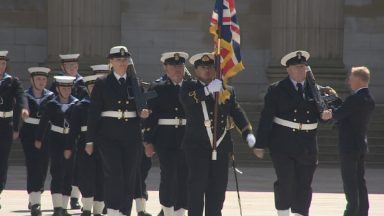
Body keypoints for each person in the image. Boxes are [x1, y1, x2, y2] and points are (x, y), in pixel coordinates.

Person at [254, 50, 333, 216]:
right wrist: (260, 144)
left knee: (304, 184)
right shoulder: (277, 89)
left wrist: (326, 115)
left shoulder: (315, 89)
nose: (301, 70)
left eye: (304, 66)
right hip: (283, 143)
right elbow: (267, 117)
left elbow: (323, 115)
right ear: (288, 69)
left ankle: (300, 213)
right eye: (297, 67)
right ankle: (283, 212)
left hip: (308, 144)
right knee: (286, 181)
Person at [179, 52, 256, 216]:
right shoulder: (189, 86)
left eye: (210, 67)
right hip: (196, 146)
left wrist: (247, 132)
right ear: (196, 70)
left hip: (221, 146)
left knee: (218, 188)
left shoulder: (226, 90)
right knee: (197, 187)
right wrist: (207, 90)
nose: (207, 70)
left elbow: (236, 112)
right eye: (203, 67)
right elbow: (187, 101)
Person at [86, 45, 150, 216]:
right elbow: (93, 113)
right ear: (111, 62)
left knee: (129, 176)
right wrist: (89, 140)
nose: (122, 63)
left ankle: (124, 212)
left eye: (124, 60)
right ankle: (113, 210)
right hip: (108, 136)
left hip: (131, 136)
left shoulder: (135, 82)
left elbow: (142, 107)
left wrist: (143, 112)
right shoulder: (102, 83)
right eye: (118, 60)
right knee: (114, 174)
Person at [143, 52, 190, 216]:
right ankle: (168, 212)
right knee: (169, 176)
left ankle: (180, 212)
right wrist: (148, 141)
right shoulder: (157, 87)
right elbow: (150, 116)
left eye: (180, 66)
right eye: (173, 66)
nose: (178, 70)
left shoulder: (192, 86)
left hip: (187, 138)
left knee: (184, 178)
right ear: (165, 67)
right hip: (165, 139)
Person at [332, 66, 375, 216]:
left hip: (349, 147)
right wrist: (337, 100)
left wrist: (331, 103)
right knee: (359, 182)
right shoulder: (368, 98)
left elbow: (338, 115)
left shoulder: (354, 99)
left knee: (350, 183)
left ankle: (351, 211)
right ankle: (362, 212)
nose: (349, 80)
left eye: (351, 77)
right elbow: (348, 114)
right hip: (360, 145)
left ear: (359, 79)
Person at [35, 76, 79, 216]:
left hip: (71, 139)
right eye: (63, 88)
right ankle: (57, 207)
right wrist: (38, 138)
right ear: (58, 89)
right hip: (55, 139)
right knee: (57, 172)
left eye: (69, 88)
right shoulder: (51, 104)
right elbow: (43, 123)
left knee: (69, 173)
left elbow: (78, 126)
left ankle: (64, 207)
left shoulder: (76, 105)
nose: (66, 91)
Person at [67, 74, 106, 216]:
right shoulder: (80, 106)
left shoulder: (107, 105)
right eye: (91, 87)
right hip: (85, 145)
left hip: (104, 145)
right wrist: (69, 147)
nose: (94, 89)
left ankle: (98, 209)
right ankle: (87, 207)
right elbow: (73, 130)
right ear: (87, 89)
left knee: (102, 177)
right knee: (86, 177)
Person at [20, 67, 54, 216]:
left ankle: (35, 194)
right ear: (32, 80)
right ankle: (35, 203)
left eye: (44, 79)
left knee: (43, 166)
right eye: (39, 79)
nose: (41, 82)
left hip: (46, 134)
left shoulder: (51, 96)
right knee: (33, 165)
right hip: (29, 134)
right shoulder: (25, 95)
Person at [0, 50, 28, 209]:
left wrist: (24, 109)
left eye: (3, 64)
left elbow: (21, 96)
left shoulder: (12, 81)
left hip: (5, 125)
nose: (1, 67)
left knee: (2, 161)